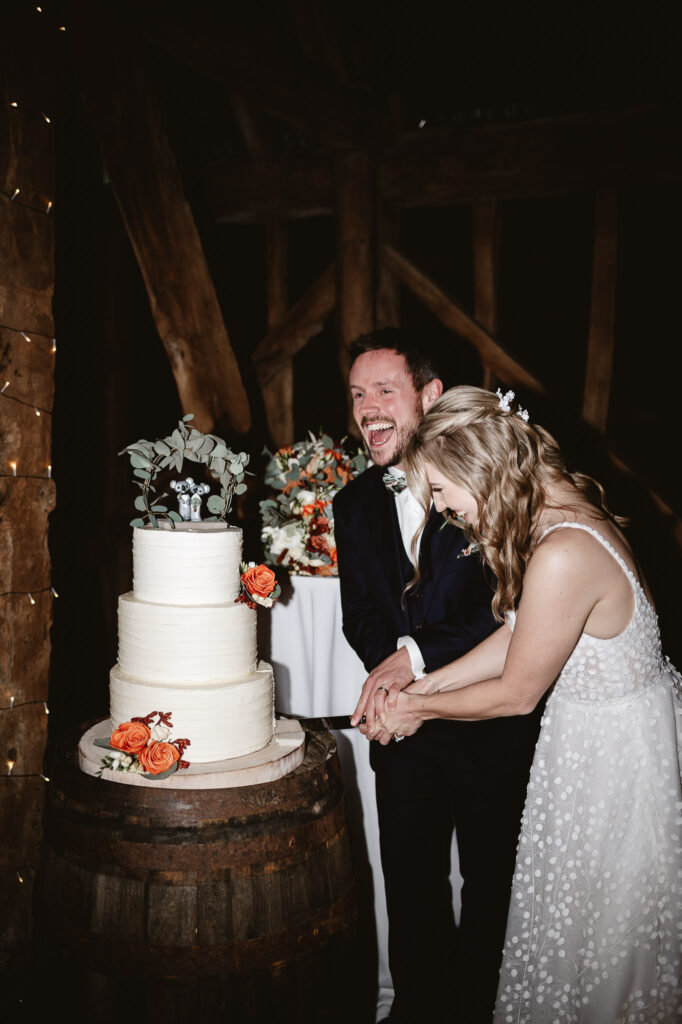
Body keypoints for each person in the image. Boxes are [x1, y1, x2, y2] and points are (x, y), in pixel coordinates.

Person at [369, 384, 682, 1023]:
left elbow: (517, 692)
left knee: (604, 941)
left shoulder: (563, 551)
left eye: (441, 491)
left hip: (615, 765)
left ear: (475, 468)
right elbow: (521, 632)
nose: (444, 510)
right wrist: (429, 684)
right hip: (599, 740)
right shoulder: (559, 506)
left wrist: (420, 712)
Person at [333, 331, 543, 1023]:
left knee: (494, 882)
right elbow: (360, 616)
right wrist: (394, 676)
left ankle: (484, 1005)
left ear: (430, 395)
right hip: (404, 730)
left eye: (384, 390)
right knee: (411, 879)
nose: (368, 409)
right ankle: (420, 1006)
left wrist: (416, 655)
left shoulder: (490, 485)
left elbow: (508, 609)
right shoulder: (353, 503)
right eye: (359, 395)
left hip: (491, 721)